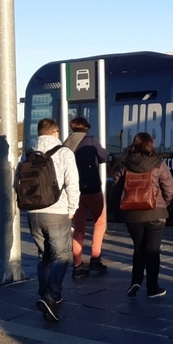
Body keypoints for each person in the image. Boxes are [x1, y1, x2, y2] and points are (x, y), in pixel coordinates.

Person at [27, 118, 80, 323]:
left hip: (33, 213)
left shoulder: (29, 154)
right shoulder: (64, 153)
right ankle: (51, 295)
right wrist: (72, 209)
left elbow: (18, 183)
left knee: (44, 256)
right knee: (61, 256)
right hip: (56, 212)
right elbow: (72, 183)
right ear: (55, 132)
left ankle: (43, 292)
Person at [112, 132, 173, 298]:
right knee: (153, 251)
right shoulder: (159, 164)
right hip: (156, 214)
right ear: (150, 145)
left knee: (139, 249)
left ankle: (135, 281)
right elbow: (170, 189)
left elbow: (116, 189)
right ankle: (152, 287)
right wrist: (163, 205)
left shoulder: (124, 164)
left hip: (132, 215)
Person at [63, 116, 109, 279]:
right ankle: (95, 259)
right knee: (99, 222)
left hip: (74, 193)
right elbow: (104, 157)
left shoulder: (66, 143)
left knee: (79, 228)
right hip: (92, 190)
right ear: (86, 127)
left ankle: (77, 265)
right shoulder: (91, 141)